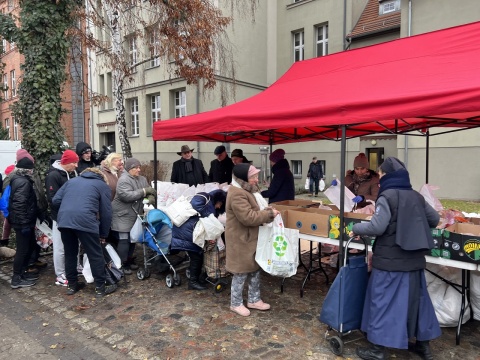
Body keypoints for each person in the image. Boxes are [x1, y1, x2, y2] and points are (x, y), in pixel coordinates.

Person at [349, 157, 441, 360]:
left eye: (381, 175)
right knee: (418, 302)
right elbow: (434, 219)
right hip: (414, 260)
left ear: (388, 176)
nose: (379, 179)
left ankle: (377, 350)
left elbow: (376, 227)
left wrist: (356, 227)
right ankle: (423, 347)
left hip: (390, 261)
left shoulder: (387, 196)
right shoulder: (415, 196)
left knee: (383, 302)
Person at [52, 167, 116, 297]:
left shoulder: (72, 181)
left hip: (65, 221)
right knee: (95, 254)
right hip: (86, 221)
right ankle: (100, 288)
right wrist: (103, 234)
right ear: (101, 176)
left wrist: (70, 206)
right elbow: (106, 213)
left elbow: (55, 200)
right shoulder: (101, 185)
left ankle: (72, 285)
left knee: (70, 254)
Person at [226, 163, 280, 316]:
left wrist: (269, 210)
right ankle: (235, 303)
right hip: (241, 239)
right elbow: (248, 217)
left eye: (256, 176)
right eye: (253, 177)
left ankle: (254, 299)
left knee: (254, 269)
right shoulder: (237, 193)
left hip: (251, 238)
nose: (256, 180)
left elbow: (257, 209)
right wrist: (269, 214)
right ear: (243, 178)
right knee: (241, 272)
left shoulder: (248, 189)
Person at [171, 189, 227, 290]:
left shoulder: (211, 206)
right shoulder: (204, 196)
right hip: (186, 232)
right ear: (218, 200)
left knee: (198, 256)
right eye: (220, 204)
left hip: (191, 232)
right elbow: (195, 205)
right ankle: (193, 282)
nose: (219, 207)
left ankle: (198, 278)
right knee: (196, 257)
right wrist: (209, 215)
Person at [111, 158, 156, 274]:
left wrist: (149, 198)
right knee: (124, 239)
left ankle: (129, 260)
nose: (139, 170)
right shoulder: (123, 180)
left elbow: (148, 194)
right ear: (129, 169)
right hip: (122, 214)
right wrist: (145, 191)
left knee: (132, 239)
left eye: (139, 167)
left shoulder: (142, 179)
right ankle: (121, 264)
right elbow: (126, 196)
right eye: (136, 168)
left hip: (135, 214)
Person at [45, 149, 79, 286]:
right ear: (66, 162)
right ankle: (60, 274)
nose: (77, 166)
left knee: (75, 243)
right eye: (74, 163)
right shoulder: (53, 176)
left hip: (73, 215)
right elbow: (53, 199)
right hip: (59, 217)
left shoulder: (73, 173)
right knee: (60, 247)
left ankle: (75, 267)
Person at [8, 156, 39, 288]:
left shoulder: (18, 180)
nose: (33, 171)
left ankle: (22, 273)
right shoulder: (23, 183)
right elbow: (19, 204)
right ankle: (16, 278)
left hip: (22, 221)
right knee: (22, 250)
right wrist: (24, 223)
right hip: (22, 223)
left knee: (27, 248)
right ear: (27, 170)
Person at [1, 164, 15, 247]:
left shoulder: (8, 182)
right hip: (12, 207)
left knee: (6, 225)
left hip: (10, 208)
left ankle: (4, 242)